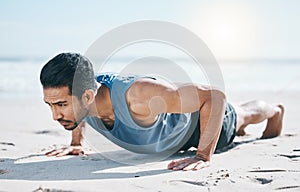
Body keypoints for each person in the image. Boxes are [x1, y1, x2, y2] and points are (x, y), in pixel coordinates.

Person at [40, 53, 284, 171]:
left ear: (87, 97)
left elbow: (215, 97)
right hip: (170, 128)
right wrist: (76, 141)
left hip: (201, 126)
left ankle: (274, 111)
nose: (55, 116)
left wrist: (202, 156)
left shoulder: (137, 95)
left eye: (61, 105)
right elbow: (79, 113)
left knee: (243, 114)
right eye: (50, 105)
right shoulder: (84, 101)